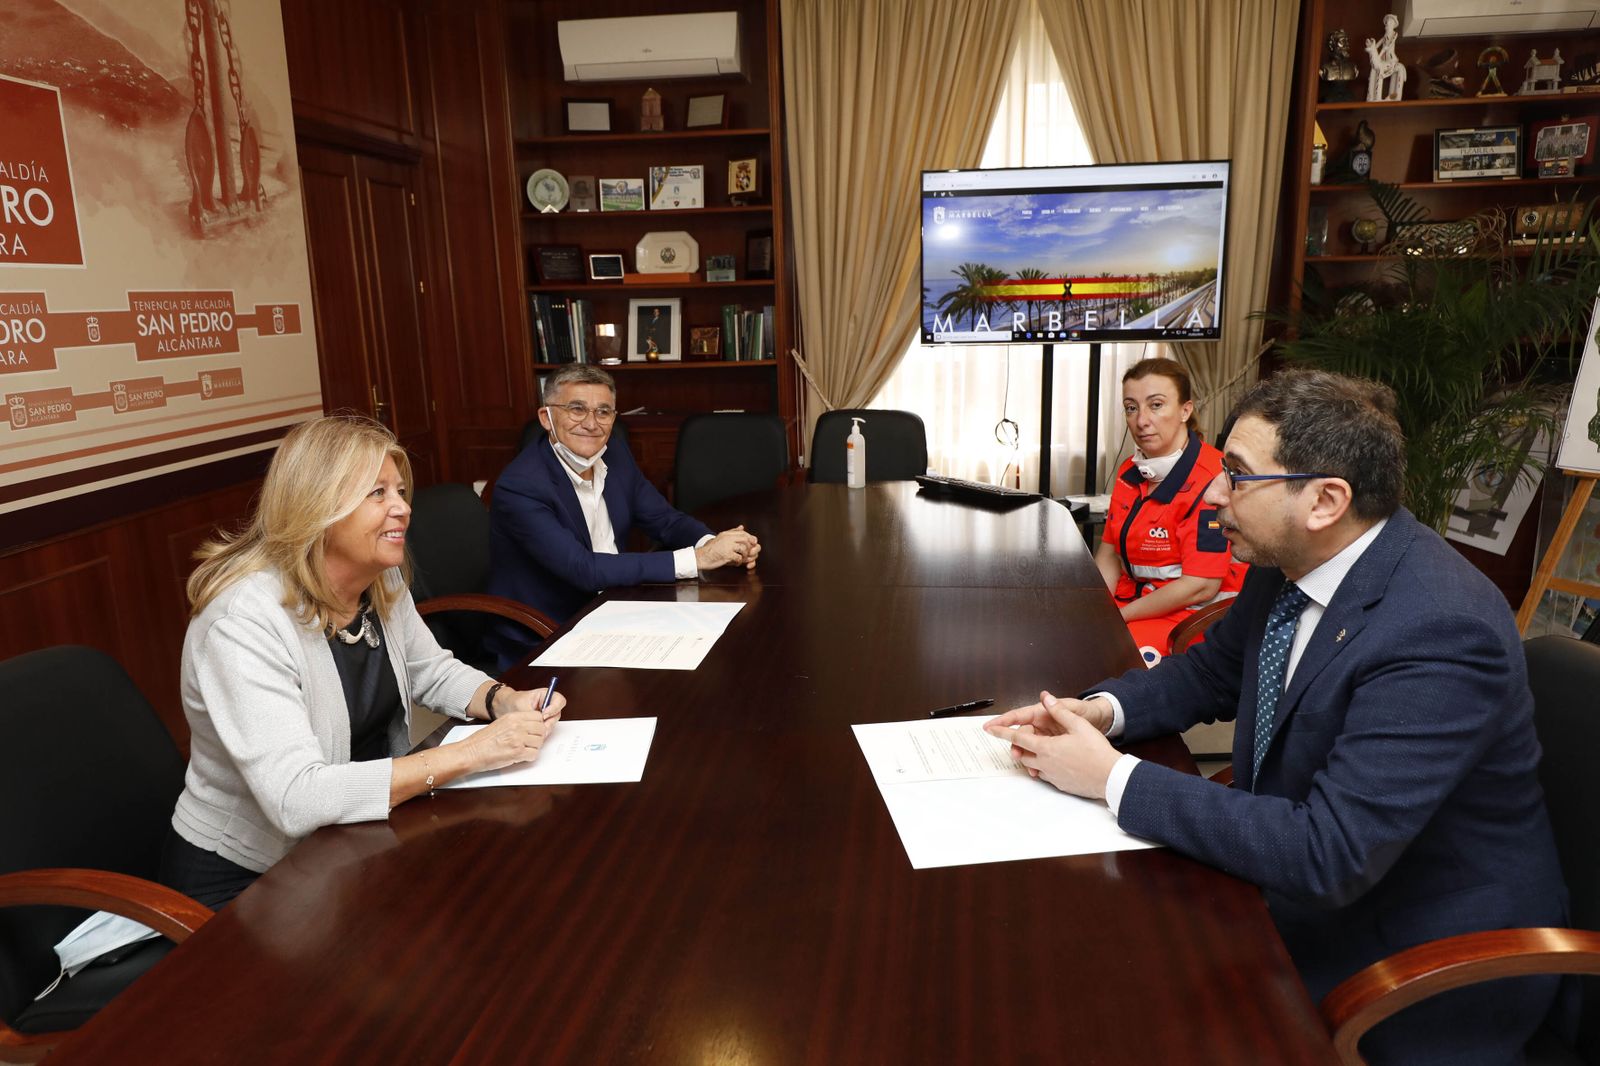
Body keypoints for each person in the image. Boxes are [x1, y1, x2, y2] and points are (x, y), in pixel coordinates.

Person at [987, 370, 1568, 1064]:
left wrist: (1112, 777)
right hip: (1297, 882)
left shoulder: (1440, 628)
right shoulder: (1290, 560)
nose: (1212, 492)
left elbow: (1330, 853)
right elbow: (1211, 672)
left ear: (1325, 500)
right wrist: (1101, 711)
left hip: (1414, 957)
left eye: (1236, 474)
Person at [163, 415, 566, 908]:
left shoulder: (378, 577)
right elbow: (297, 798)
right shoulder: (243, 622)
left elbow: (429, 669)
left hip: (352, 839)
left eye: (400, 491)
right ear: (317, 506)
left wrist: (501, 700)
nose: (403, 508)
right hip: (251, 878)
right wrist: (470, 754)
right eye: (378, 493)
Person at [486, 365, 759, 669]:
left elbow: (664, 520)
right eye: (577, 409)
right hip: (550, 632)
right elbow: (584, 569)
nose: (591, 423)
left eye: (603, 412)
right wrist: (699, 559)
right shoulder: (521, 485)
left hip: (616, 607)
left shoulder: (614, 453)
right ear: (546, 417)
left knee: (727, 653)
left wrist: (716, 544)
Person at [1095, 357, 1246, 656]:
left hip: (1193, 614)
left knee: (1106, 656)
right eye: (1131, 408)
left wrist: (1118, 618)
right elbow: (1109, 554)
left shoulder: (1212, 481)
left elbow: (1200, 586)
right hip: (1138, 601)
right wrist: (1097, 610)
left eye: (1156, 405)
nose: (1141, 421)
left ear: (1185, 411)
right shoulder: (1129, 472)